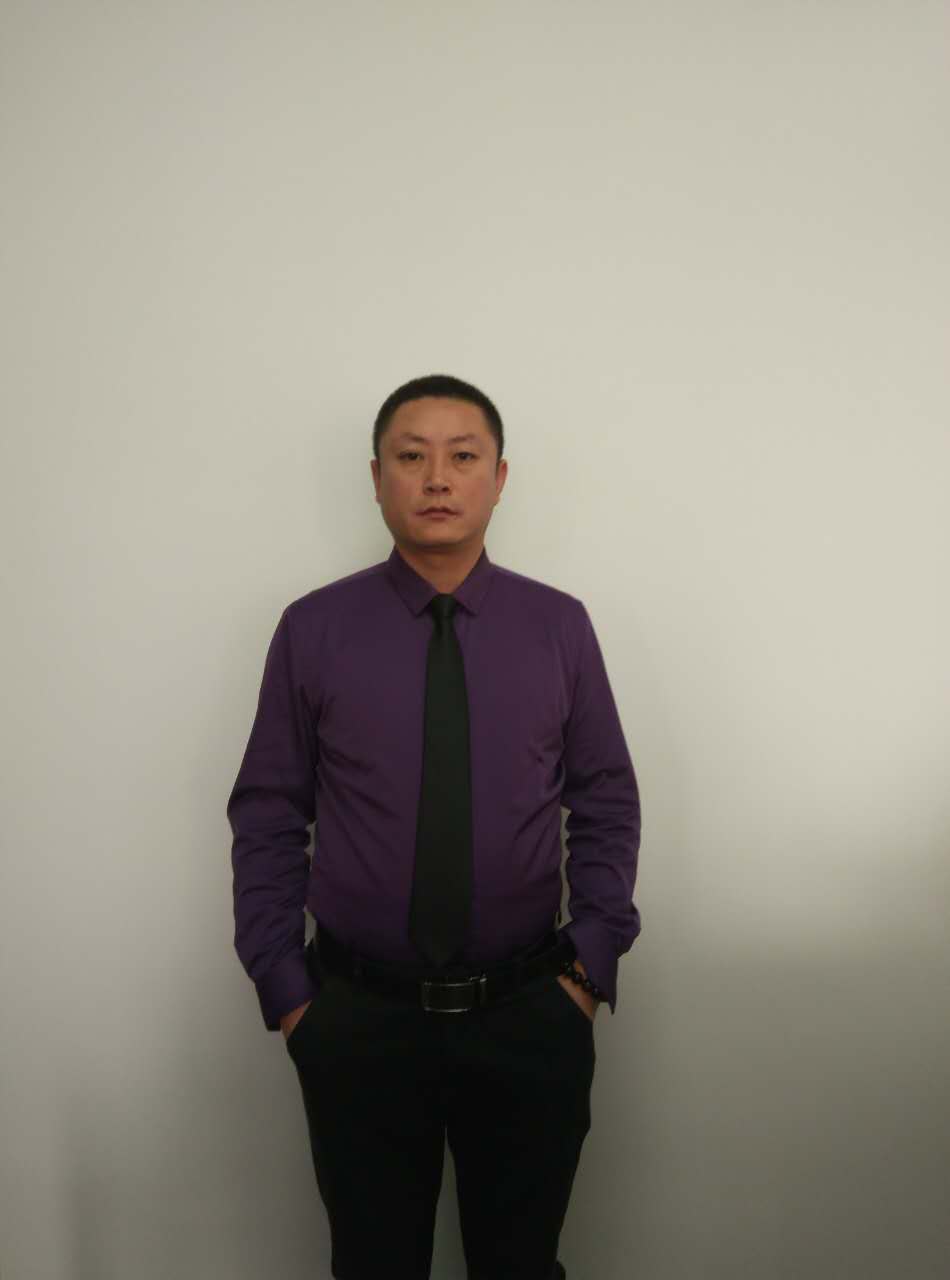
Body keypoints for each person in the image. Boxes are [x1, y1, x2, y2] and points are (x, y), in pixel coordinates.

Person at [226, 372, 642, 1280]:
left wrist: (588, 965)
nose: (438, 478)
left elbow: (606, 796)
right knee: (373, 1265)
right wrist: (289, 991)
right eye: (412, 457)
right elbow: (268, 809)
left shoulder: (559, 627)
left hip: (530, 1014)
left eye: (463, 456)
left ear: (500, 477)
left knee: (520, 1265)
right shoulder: (314, 629)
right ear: (378, 477)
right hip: (358, 1019)